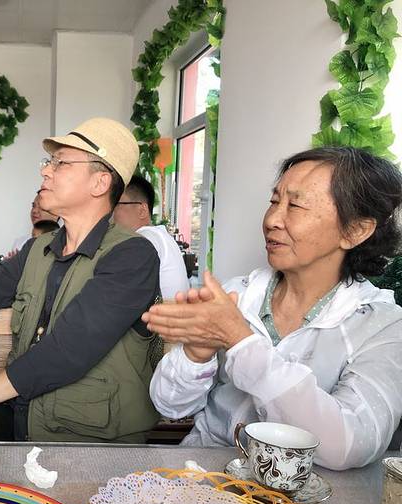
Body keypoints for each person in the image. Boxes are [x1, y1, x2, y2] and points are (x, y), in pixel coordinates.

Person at [144, 146, 402, 471]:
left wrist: (241, 342)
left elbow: (350, 445)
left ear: (355, 230)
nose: (271, 220)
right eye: (274, 201)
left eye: (295, 205)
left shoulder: (381, 325)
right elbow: (169, 406)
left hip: (302, 496)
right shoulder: (237, 294)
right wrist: (196, 354)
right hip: (202, 477)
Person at [0, 117, 161, 443]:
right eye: (49, 162)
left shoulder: (133, 256)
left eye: (60, 163)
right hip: (26, 424)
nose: (46, 171)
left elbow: (67, 350)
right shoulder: (38, 248)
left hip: (90, 444)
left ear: (100, 183)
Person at [113, 175, 189, 300]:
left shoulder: (144, 239)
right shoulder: (159, 237)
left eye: (116, 204)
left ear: (142, 210)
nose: (110, 212)